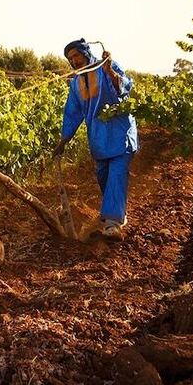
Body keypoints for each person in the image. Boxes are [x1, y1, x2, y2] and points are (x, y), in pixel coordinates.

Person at [52, 39, 138, 239]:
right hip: (98, 139)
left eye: (77, 56)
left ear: (86, 53)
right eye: (70, 59)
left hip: (120, 134)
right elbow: (72, 114)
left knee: (116, 175)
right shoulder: (76, 83)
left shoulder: (106, 66)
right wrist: (63, 141)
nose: (74, 61)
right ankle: (117, 215)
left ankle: (112, 223)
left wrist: (109, 71)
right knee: (104, 178)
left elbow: (125, 88)